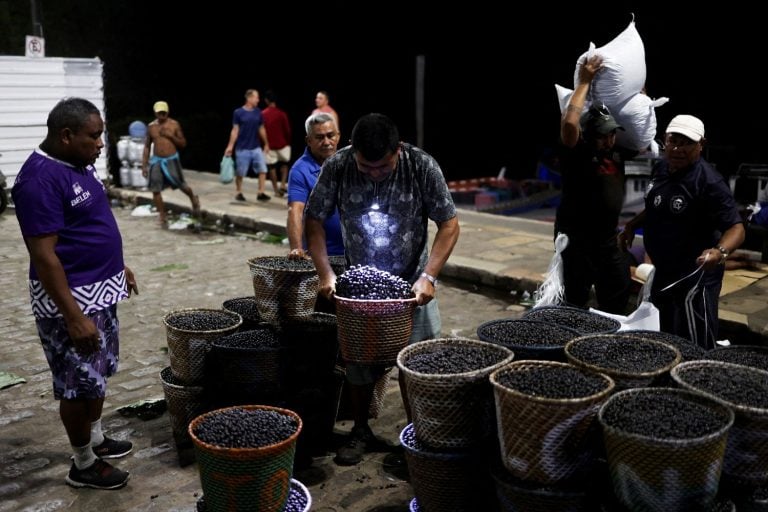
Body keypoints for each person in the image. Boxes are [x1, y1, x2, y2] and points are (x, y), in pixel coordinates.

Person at [304, 113, 460, 466]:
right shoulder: (339, 165)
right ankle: (361, 430)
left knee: (417, 364)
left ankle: (419, 436)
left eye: (383, 168)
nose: (374, 174)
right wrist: (325, 272)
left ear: (398, 151)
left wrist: (429, 276)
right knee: (358, 363)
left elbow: (449, 224)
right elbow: (313, 218)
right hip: (360, 286)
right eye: (366, 167)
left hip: (411, 285)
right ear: (353, 152)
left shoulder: (421, 166)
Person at [11, 97, 139, 490]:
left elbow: (93, 221)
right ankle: (82, 463)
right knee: (77, 382)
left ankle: (96, 438)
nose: (102, 143)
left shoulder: (80, 164)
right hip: (73, 301)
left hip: (101, 288)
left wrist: (119, 265)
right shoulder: (38, 181)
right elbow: (44, 256)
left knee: (98, 375)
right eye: (94, 135)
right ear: (66, 136)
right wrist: (73, 316)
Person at [620, 115, 745, 349]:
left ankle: (701, 376)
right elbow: (656, 206)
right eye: (672, 141)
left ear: (701, 145)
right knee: (665, 334)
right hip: (664, 270)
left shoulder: (710, 182)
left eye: (686, 142)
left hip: (695, 275)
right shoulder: (660, 169)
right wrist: (631, 225)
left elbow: (736, 228)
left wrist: (719, 252)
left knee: (696, 340)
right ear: (664, 141)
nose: (677, 148)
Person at [555, 54, 635, 315]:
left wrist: (638, 96)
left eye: (612, 133)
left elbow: (642, 138)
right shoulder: (577, 154)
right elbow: (569, 122)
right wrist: (585, 81)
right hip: (577, 241)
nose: (609, 140)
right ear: (589, 134)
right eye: (603, 135)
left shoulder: (615, 153)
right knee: (574, 299)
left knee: (616, 296)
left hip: (609, 241)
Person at [286, 112, 343, 261]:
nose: (326, 142)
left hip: (355, 253)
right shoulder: (300, 170)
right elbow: (295, 210)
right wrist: (297, 248)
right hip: (321, 257)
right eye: (319, 137)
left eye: (330, 135)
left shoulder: (350, 162)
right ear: (309, 140)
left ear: (338, 136)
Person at [141, 101, 200, 225]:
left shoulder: (174, 125)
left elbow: (183, 143)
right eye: (159, 112)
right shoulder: (151, 126)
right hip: (156, 160)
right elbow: (147, 146)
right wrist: (144, 164)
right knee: (155, 189)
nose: (161, 115)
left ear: (167, 112)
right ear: (155, 113)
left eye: (164, 112)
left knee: (182, 185)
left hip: (171, 159)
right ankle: (162, 215)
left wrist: (170, 136)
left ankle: (193, 198)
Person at [224, 89, 271, 202]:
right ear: (249, 98)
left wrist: (266, 143)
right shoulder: (238, 112)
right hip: (242, 148)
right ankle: (239, 192)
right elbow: (235, 130)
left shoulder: (258, 112)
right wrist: (230, 146)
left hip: (256, 147)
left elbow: (261, 128)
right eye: (256, 97)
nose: (258, 100)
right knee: (241, 172)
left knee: (263, 170)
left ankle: (261, 192)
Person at [262, 90, 292, 197]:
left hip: (269, 145)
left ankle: (275, 190)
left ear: (266, 100)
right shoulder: (282, 114)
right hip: (283, 144)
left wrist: (264, 143)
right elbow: (287, 130)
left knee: (271, 167)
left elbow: (261, 131)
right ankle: (283, 184)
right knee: (284, 164)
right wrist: (288, 142)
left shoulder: (263, 114)